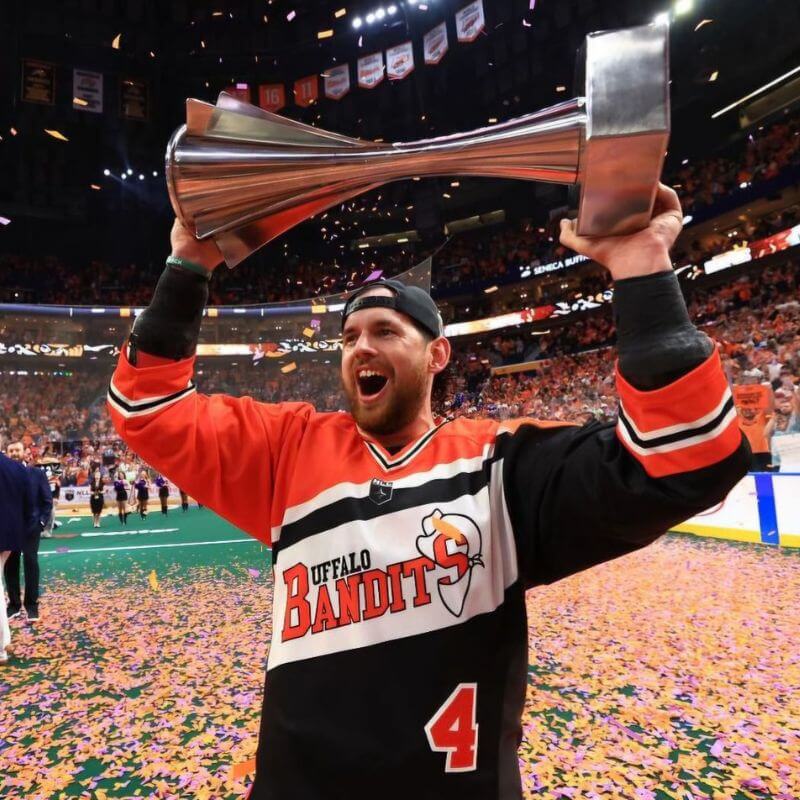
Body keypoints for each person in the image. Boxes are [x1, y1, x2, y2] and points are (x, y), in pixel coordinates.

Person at [108, 184, 749, 800]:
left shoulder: (503, 461)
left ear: (436, 355)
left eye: (386, 331)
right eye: (351, 336)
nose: (362, 346)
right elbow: (147, 408)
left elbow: (687, 459)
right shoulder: (288, 449)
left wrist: (642, 268)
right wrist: (188, 264)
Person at [4, 441, 53, 623]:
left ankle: (32, 607)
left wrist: (41, 522)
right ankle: (14, 606)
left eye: (17, 450)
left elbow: (47, 501)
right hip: (10, 527)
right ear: (6, 453)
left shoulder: (37, 474)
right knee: (10, 566)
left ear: (25, 452)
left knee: (31, 563)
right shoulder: (2, 476)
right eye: (11, 450)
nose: (14, 453)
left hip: (31, 526)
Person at [0, 452, 34, 665]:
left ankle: (2, 646)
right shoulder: (17, 468)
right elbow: (29, 507)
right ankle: (4, 643)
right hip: (10, 536)